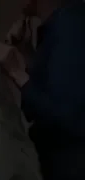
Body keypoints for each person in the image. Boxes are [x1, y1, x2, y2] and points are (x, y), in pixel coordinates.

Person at [7, 0, 85, 179]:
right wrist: (24, 51)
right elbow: (50, 85)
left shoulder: (70, 23)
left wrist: (16, 72)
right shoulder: (61, 23)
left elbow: (62, 113)